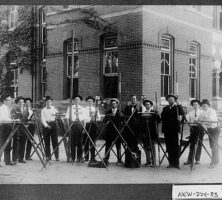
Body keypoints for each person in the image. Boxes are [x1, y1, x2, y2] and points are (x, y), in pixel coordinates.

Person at [161, 94, 184, 169]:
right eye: (169, 99)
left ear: (174, 100)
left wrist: (179, 104)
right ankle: (171, 162)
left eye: (172, 99)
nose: (170, 100)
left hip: (174, 130)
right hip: (167, 130)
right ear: (167, 101)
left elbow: (182, 114)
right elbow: (162, 118)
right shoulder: (165, 108)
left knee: (175, 146)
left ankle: (176, 163)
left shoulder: (177, 108)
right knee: (169, 146)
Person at [198, 99, 220, 169]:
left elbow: (210, 119)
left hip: (215, 129)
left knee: (214, 145)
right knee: (211, 145)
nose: (204, 107)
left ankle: (213, 162)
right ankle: (216, 160)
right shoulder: (202, 112)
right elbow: (199, 119)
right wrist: (201, 120)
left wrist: (203, 120)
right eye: (203, 106)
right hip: (209, 129)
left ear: (208, 106)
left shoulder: (212, 111)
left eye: (205, 106)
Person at [65, 95, 86, 163]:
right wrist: (69, 127)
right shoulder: (70, 108)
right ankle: (73, 158)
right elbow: (67, 118)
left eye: (78, 100)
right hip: (72, 125)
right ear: (73, 101)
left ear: (80, 101)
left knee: (80, 142)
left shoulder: (82, 108)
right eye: (75, 100)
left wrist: (84, 128)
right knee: (72, 142)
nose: (77, 101)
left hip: (80, 125)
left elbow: (84, 119)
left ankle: (79, 158)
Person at [103, 98, 123, 166]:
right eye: (112, 104)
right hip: (110, 131)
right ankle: (106, 159)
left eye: (115, 103)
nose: (113, 105)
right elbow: (105, 121)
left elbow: (122, 122)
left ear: (117, 104)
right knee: (108, 145)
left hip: (117, 131)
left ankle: (119, 159)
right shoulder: (108, 112)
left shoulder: (120, 112)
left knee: (118, 145)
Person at [141, 99, 160, 167]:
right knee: (146, 147)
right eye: (146, 105)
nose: (147, 105)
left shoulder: (153, 112)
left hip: (152, 133)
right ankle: (148, 161)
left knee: (152, 147)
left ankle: (154, 162)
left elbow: (158, 120)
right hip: (145, 133)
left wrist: (157, 114)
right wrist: (142, 133)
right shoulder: (143, 113)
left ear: (151, 105)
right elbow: (142, 124)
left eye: (148, 104)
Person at [184, 99, 204, 165]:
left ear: (199, 105)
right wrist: (184, 118)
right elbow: (186, 119)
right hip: (193, 129)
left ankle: (197, 159)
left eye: (196, 104)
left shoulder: (202, 112)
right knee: (192, 144)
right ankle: (190, 160)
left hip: (200, 128)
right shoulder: (191, 113)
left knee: (199, 144)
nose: (195, 106)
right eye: (193, 104)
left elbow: (204, 120)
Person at [11, 96, 29, 164]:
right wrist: (15, 119)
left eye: (22, 102)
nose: (21, 103)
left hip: (24, 129)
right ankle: (14, 159)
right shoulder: (14, 109)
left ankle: (21, 158)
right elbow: (12, 118)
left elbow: (26, 119)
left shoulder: (25, 109)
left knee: (23, 143)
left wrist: (27, 124)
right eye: (19, 102)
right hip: (16, 129)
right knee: (16, 144)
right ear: (17, 103)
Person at [41, 96, 59, 161]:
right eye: (47, 101)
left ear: (51, 102)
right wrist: (46, 125)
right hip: (46, 126)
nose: (48, 102)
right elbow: (42, 119)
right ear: (45, 102)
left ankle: (57, 156)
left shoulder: (54, 109)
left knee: (55, 141)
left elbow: (57, 116)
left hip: (53, 125)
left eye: (49, 101)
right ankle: (48, 156)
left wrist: (55, 122)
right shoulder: (43, 110)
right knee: (46, 141)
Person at [83, 96, 101, 164]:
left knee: (93, 142)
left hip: (93, 126)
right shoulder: (84, 109)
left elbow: (98, 118)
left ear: (93, 102)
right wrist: (89, 120)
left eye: (91, 101)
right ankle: (86, 157)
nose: (90, 102)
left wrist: (96, 114)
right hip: (87, 125)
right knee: (86, 142)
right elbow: (84, 118)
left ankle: (93, 158)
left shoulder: (95, 109)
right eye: (88, 101)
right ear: (87, 102)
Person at [0, 95, 13, 166]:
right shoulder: (1, 108)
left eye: (10, 100)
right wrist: (12, 120)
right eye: (8, 100)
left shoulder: (8, 108)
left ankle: (7, 160)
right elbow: (2, 119)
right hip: (3, 127)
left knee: (8, 143)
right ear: (4, 101)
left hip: (8, 126)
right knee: (2, 144)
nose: (9, 102)